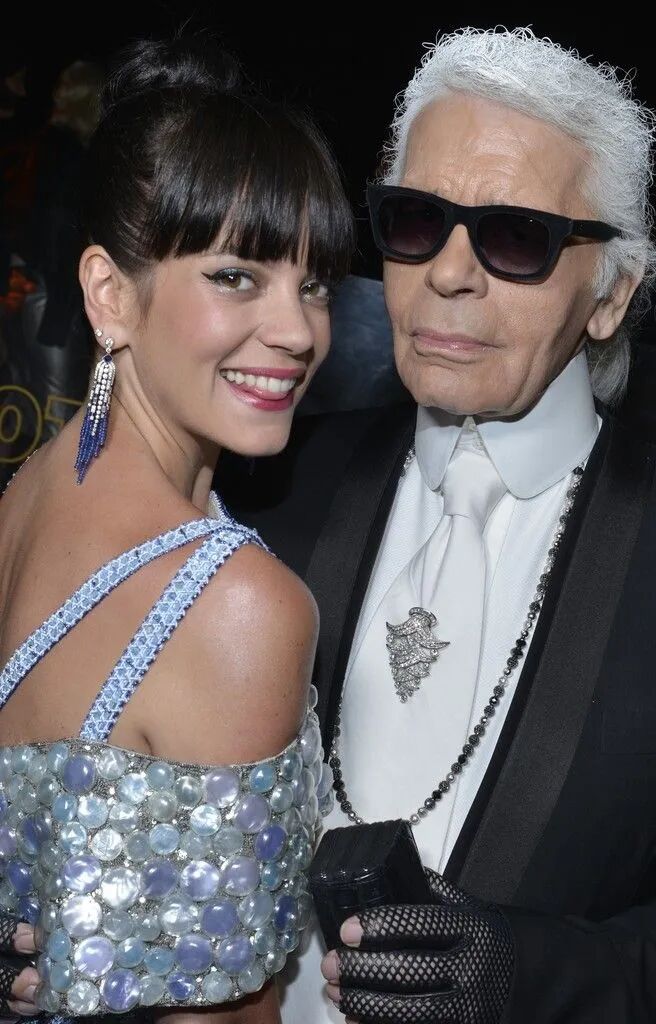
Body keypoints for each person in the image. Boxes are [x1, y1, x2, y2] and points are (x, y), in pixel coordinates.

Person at [217, 26, 656, 1023]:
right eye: (417, 220)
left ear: (610, 295)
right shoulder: (264, 493)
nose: (448, 273)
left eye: (515, 236)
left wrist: (533, 978)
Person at [0, 33, 353, 1023]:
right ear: (109, 294)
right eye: (236, 275)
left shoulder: (29, 489)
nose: (297, 330)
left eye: (314, 281)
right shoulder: (236, 606)